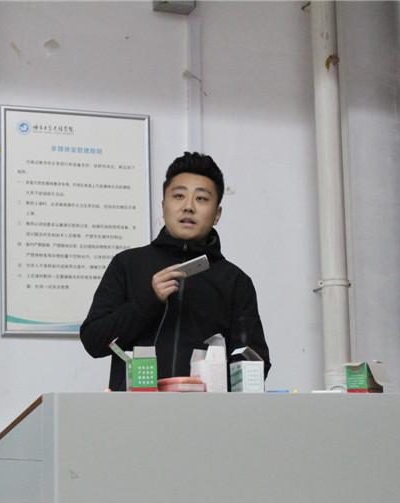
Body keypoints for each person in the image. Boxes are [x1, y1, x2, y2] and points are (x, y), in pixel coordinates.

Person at [80, 151, 271, 391]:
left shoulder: (235, 281)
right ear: (163, 206)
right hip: (134, 409)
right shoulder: (127, 264)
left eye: (201, 198)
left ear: (217, 214)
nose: (188, 207)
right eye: (179, 196)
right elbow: (94, 342)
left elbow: (253, 362)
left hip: (207, 412)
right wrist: (147, 301)